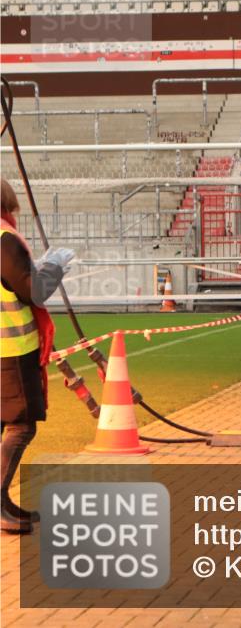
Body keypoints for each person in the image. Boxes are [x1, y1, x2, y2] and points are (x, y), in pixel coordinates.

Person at [1, 179, 74, 533]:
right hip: (10, 350)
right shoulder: (4, 240)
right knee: (21, 425)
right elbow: (34, 292)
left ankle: (3, 502)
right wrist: (54, 267)